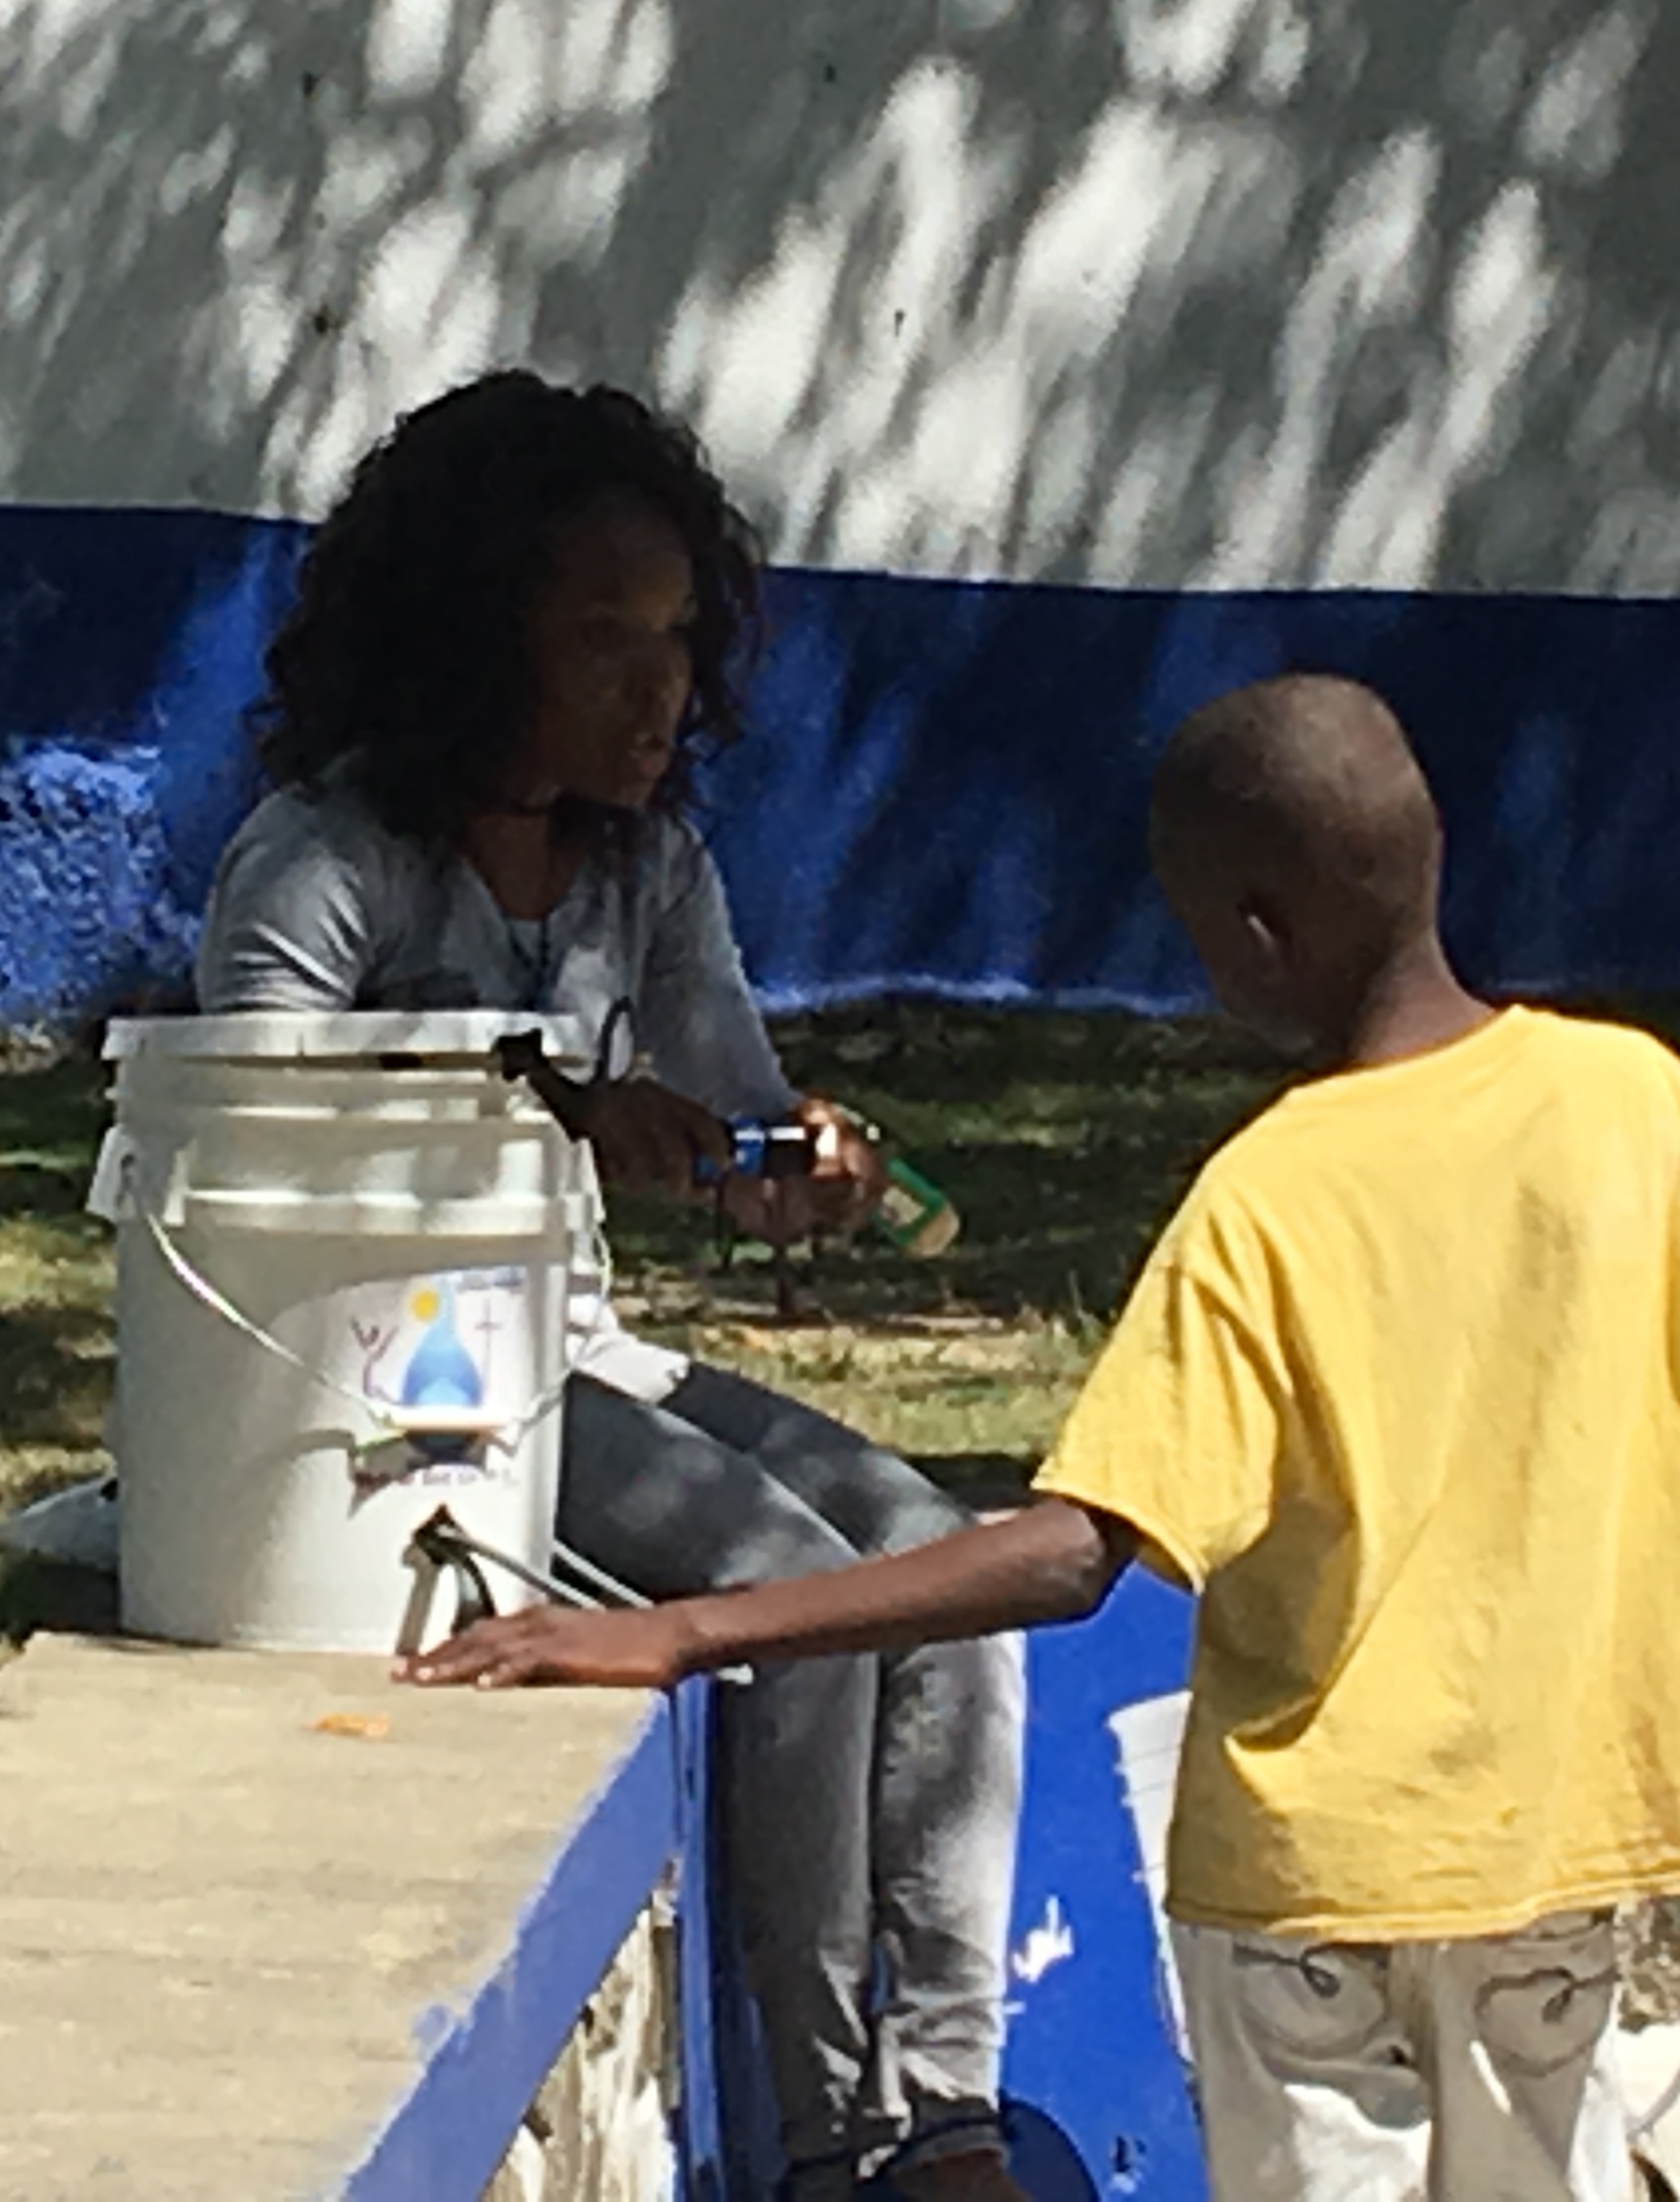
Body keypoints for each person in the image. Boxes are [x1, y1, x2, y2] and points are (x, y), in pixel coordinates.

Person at [406, 673, 1680, 2202]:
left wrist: (690, 1628)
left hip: (1315, 1894)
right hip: (1564, 1865)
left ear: (1257, 934)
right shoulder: (1644, 1104)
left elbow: (1076, 1548)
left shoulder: (1268, 1200)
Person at [193, 371, 1030, 2202]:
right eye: (601, 642)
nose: (660, 694)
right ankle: (829, 2135)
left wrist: (805, 1167)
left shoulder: (647, 870)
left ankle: (951, 2106)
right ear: (464, 644)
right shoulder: (324, 863)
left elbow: (725, 1125)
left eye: (678, 643)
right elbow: (250, 1164)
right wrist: (542, 1098)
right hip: (398, 1391)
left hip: (573, 1354)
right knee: (797, 1587)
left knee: (935, 1563)